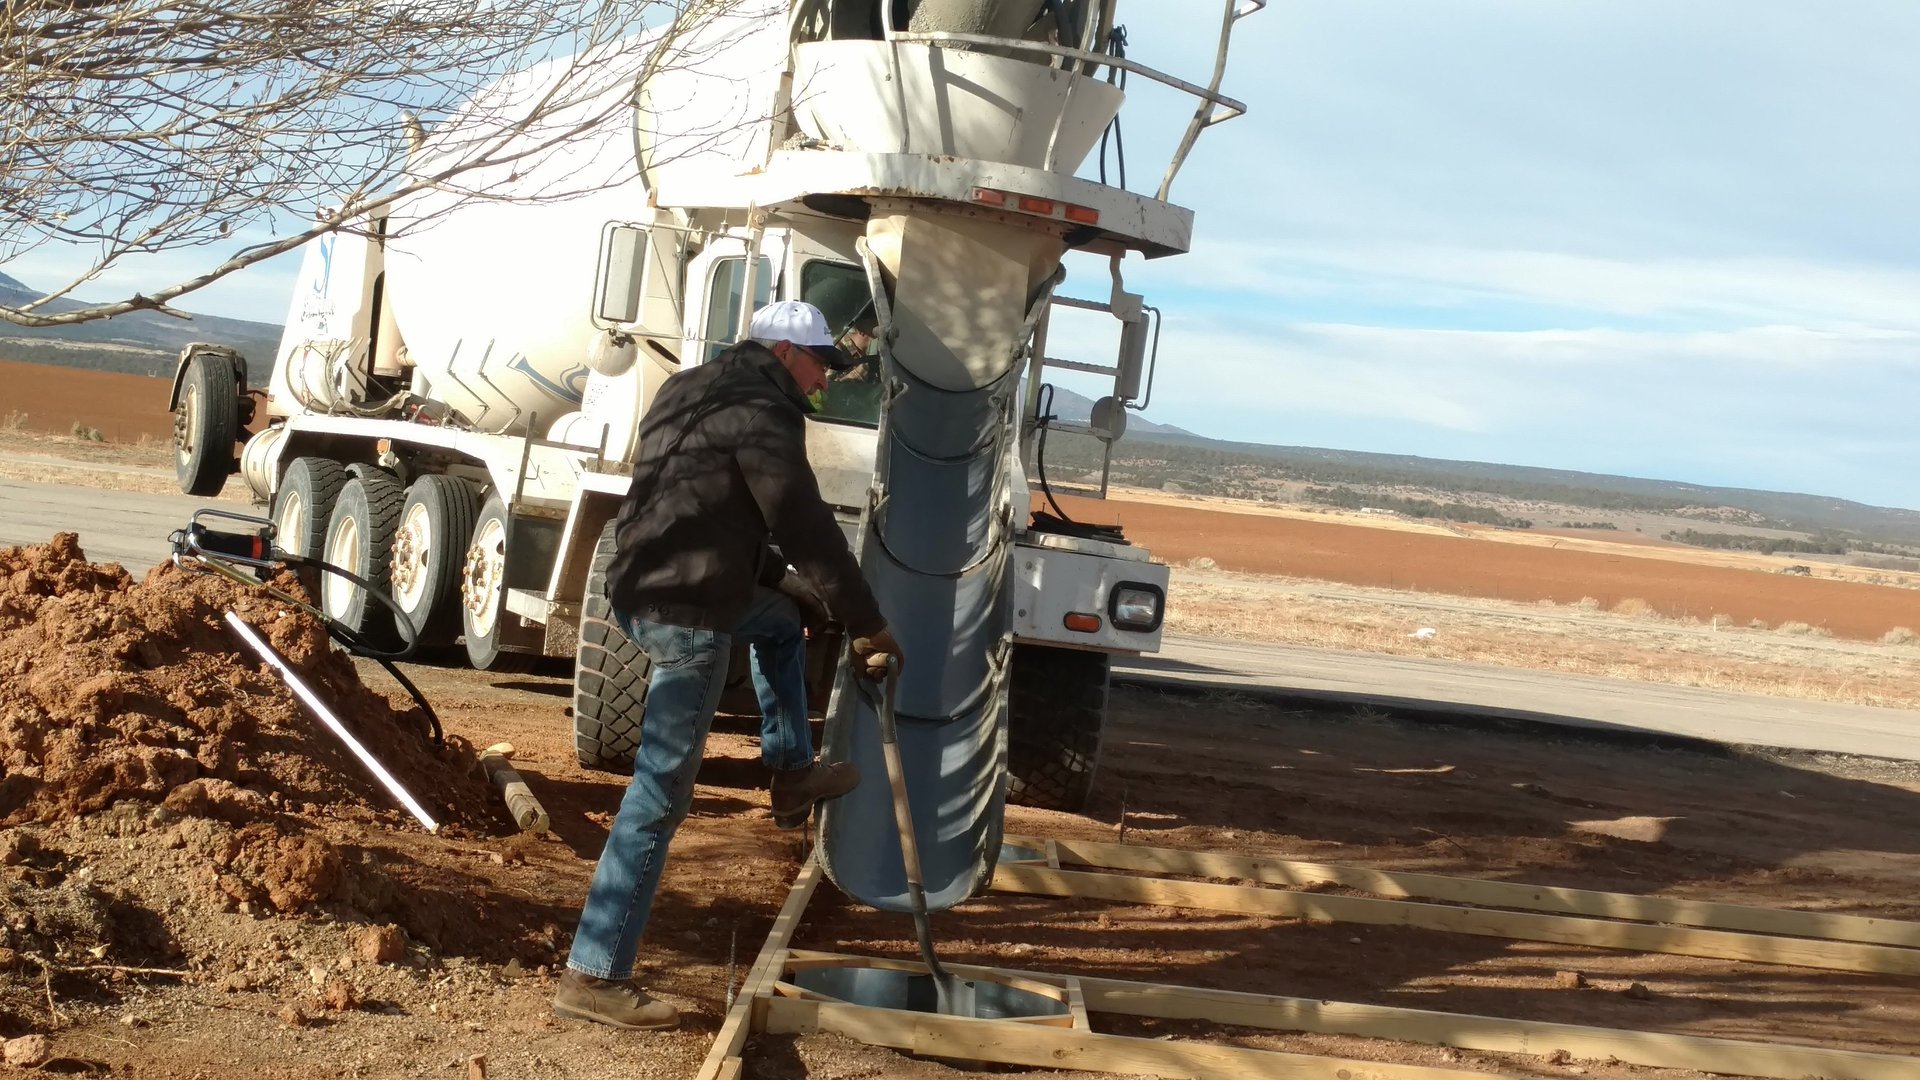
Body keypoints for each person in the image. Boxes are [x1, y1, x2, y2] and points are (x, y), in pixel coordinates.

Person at [553, 299, 904, 1032]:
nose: (825, 380)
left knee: (781, 622)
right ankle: (594, 973)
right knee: (659, 797)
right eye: (818, 364)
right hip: (688, 615)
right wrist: (866, 623)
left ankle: (789, 772)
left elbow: (707, 505)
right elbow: (803, 524)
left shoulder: (690, 387)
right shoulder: (766, 415)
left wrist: (784, 587)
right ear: (782, 354)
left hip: (644, 584)